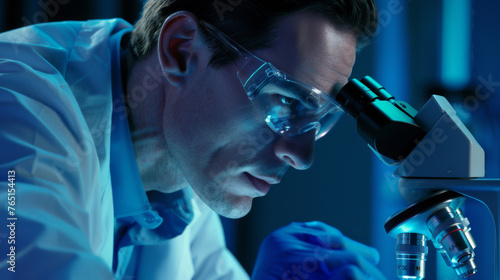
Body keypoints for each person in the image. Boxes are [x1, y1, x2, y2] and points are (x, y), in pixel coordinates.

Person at [0, 0, 385, 279]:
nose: (301, 155)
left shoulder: (185, 174)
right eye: (285, 101)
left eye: (319, 120)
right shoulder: (18, 108)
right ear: (181, 50)